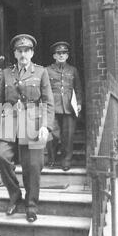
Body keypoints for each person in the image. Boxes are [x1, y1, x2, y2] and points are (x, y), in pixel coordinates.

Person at [0, 34, 54, 223]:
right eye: (19, 51)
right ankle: (14, 195)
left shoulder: (41, 72)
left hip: (33, 123)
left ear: (32, 52)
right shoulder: (6, 74)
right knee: (2, 157)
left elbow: (48, 102)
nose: (23, 54)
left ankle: (31, 205)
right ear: (15, 53)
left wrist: (45, 125)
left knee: (33, 166)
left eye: (26, 50)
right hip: (10, 122)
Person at [46, 41, 82, 171]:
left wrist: (78, 103)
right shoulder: (47, 70)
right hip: (52, 107)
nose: (61, 55)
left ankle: (66, 161)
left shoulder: (73, 70)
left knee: (68, 136)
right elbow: (44, 89)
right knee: (52, 135)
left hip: (68, 107)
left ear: (67, 56)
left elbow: (78, 88)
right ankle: (51, 159)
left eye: (64, 53)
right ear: (54, 56)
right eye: (58, 53)